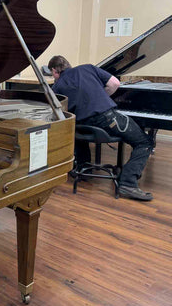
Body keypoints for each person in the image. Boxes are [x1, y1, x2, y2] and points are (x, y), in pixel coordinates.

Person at [48, 55, 153, 201]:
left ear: (54, 71)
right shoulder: (88, 68)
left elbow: (59, 112)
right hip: (106, 119)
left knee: (74, 128)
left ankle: (82, 169)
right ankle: (128, 183)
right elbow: (115, 84)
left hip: (80, 125)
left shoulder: (56, 87)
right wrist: (99, 98)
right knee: (145, 142)